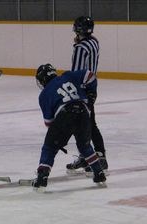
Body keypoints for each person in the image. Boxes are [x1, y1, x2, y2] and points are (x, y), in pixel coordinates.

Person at [32, 64, 106, 192]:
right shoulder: (69, 75)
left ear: (42, 79)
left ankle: (42, 177)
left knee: (49, 147)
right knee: (85, 146)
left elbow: (49, 123)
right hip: (84, 112)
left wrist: (59, 135)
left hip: (64, 114)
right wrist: (91, 94)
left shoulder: (44, 94)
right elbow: (90, 75)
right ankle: (99, 173)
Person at [66, 16, 108, 175]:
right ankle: (88, 155)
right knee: (87, 123)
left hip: (82, 89)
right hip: (92, 86)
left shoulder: (81, 47)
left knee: (87, 124)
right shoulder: (94, 42)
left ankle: (100, 156)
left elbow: (76, 72)